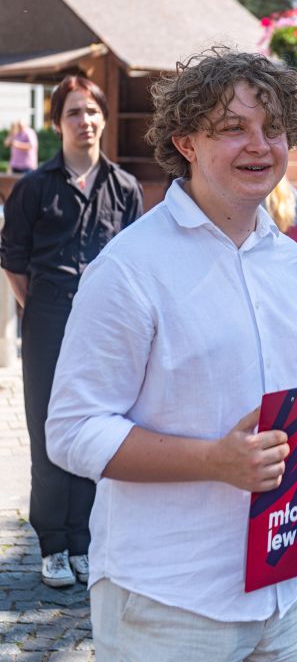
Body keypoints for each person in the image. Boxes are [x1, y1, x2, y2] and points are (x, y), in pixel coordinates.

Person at [46, 49, 297, 662]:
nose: (260, 145)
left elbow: (289, 409)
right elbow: (73, 431)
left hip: (283, 592)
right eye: (233, 128)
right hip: (169, 599)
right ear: (185, 142)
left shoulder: (293, 264)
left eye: (274, 128)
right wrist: (213, 461)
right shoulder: (130, 268)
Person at [0, 75, 143, 589]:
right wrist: (41, 309)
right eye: (73, 113)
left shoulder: (124, 188)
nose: (85, 121)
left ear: (103, 118)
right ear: (57, 123)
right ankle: (53, 545)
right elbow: (13, 260)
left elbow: (138, 262)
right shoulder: (34, 188)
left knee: (98, 426)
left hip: (107, 328)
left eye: (92, 111)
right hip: (48, 319)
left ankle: (83, 541)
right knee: (47, 430)